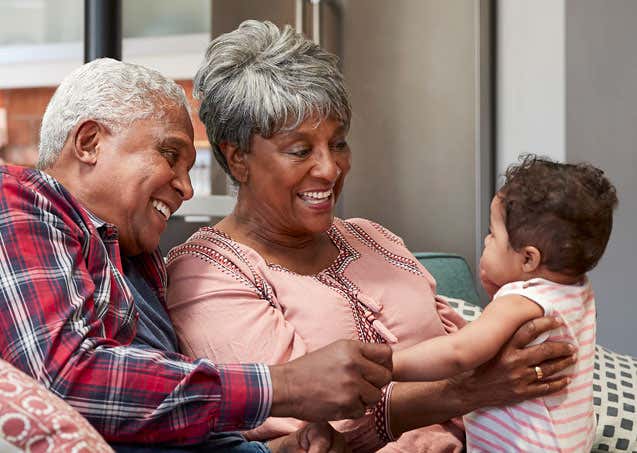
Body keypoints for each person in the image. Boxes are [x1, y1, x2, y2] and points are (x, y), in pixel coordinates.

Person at [166, 20, 578, 452]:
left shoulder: (373, 238)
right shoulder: (206, 273)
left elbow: (466, 347)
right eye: (301, 151)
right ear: (238, 158)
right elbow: (309, 420)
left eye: (338, 143)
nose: (329, 169)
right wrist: (466, 392)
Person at [0, 57, 396, 452]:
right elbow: (66, 377)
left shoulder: (138, 261)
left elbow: (158, 427)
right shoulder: (18, 200)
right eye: (170, 155)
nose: (187, 190)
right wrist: (285, 385)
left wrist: (275, 450)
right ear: (89, 143)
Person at [392, 155, 617, 451]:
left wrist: (389, 365)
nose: (486, 242)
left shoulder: (519, 302)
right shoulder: (577, 291)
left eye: (492, 234)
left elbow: (459, 353)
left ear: (528, 258)